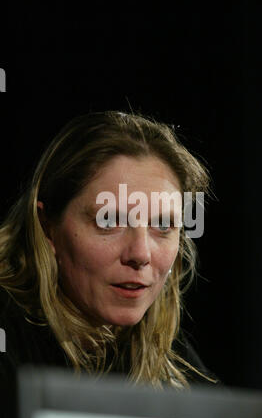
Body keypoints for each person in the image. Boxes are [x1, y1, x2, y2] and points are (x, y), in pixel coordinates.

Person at [0, 110, 223, 393]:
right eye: (109, 221)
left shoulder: (167, 353)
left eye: (163, 225)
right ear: (47, 227)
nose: (141, 254)